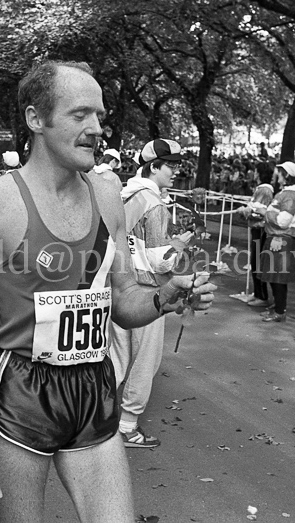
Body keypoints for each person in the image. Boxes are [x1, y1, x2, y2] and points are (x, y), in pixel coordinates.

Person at [0, 61, 215, 521]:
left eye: (100, 116)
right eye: (80, 114)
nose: (96, 129)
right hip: (22, 391)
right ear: (36, 119)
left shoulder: (107, 195)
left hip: (93, 386)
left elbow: (123, 297)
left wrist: (163, 297)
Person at [110, 138, 193, 449]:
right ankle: (127, 425)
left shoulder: (126, 195)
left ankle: (94, 416)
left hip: (118, 287)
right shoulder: (154, 203)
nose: (176, 171)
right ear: (154, 167)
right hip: (148, 293)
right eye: (171, 165)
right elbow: (161, 260)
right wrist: (180, 246)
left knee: (116, 357)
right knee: (145, 361)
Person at [259, 161, 295, 323]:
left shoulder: (290, 196)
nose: (276, 176)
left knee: (278, 277)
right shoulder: (287, 194)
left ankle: (280, 311)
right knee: (274, 276)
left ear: (285, 176)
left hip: (281, 238)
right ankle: (278, 306)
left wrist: (264, 212)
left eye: (279, 173)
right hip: (278, 237)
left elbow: (283, 221)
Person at [239, 161, 274, 307]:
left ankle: (262, 295)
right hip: (257, 229)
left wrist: (245, 212)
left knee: (257, 262)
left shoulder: (264, 191)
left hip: (260, 229)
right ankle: (258, 293)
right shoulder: (262, 189)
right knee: (255, 262)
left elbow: (259, 212)